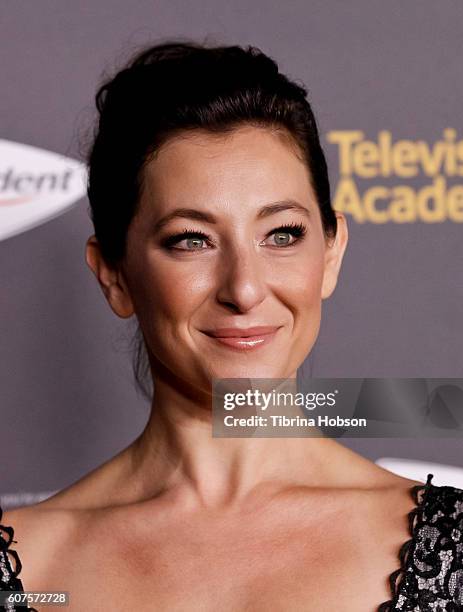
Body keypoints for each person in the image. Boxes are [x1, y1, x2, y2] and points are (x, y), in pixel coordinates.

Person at [1, 39, 462, 612]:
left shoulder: (454, 553)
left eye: (283, 234)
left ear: (332, 251)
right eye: (191, 240)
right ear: (115, 274)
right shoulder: (28, 562)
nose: (243, 288)